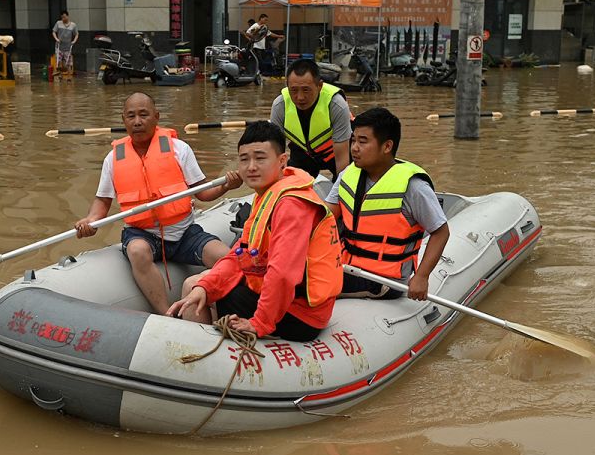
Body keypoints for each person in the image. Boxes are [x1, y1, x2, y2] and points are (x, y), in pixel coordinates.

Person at [167, 121, 343, 342]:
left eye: (260, 158)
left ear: (282, 161)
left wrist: (259, 323)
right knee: (198, 285)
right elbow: (240, 254)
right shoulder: (268, 195)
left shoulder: (291, 205)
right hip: (287, 298)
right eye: (244, 159)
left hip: (301, 313)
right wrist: (207, 287)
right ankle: (205, 340)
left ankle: (201, 354)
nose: (251, 166)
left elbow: (283, 274)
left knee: (195, 285)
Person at [74, 92, 242, 314]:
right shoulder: (112, 159)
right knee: (137, 251)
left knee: (225, 256)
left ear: (156, 116)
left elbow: (202, 192)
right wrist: (91, 220)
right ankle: (167, 314)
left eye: (144, 115)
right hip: (142, 233)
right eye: (131, 116)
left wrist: (225, 186)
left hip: (184, 232)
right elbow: (102, 200)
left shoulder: (179, 149)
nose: (137, 122)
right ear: (123, 119)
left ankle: (225, 306)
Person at [325, 108, 449, 301]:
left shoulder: (414, 187)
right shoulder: (347, 175)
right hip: (345, 266)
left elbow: (441, 231)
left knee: (308, 284)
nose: (354, 148)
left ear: (387, 146)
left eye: (363, 141)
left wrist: (422, 277)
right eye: (353, 140)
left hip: (383, 280)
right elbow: (324, 218)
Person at [269, 59, 351, 178]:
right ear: (287, 86)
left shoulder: (336, 105)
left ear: (319, 86)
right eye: (294, 90)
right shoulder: (279, 105)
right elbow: (275, 154)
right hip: (302, 152)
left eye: (306, 90)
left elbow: (342, 160)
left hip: (333, 152)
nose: (300, 97)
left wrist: (340, 193)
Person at [52, 11, 78, 81]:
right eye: (62, 17)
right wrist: (56, 39)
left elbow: (76, 34)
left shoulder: (73, 25)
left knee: (68, 62)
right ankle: (60, 74)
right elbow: (54, 32)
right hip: (59, 46)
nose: (63, 18)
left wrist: (74, 41)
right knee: (59, 61)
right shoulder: (58, 23)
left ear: (67, 16)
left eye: (64, 17)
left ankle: (69, 76)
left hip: (68, 47)